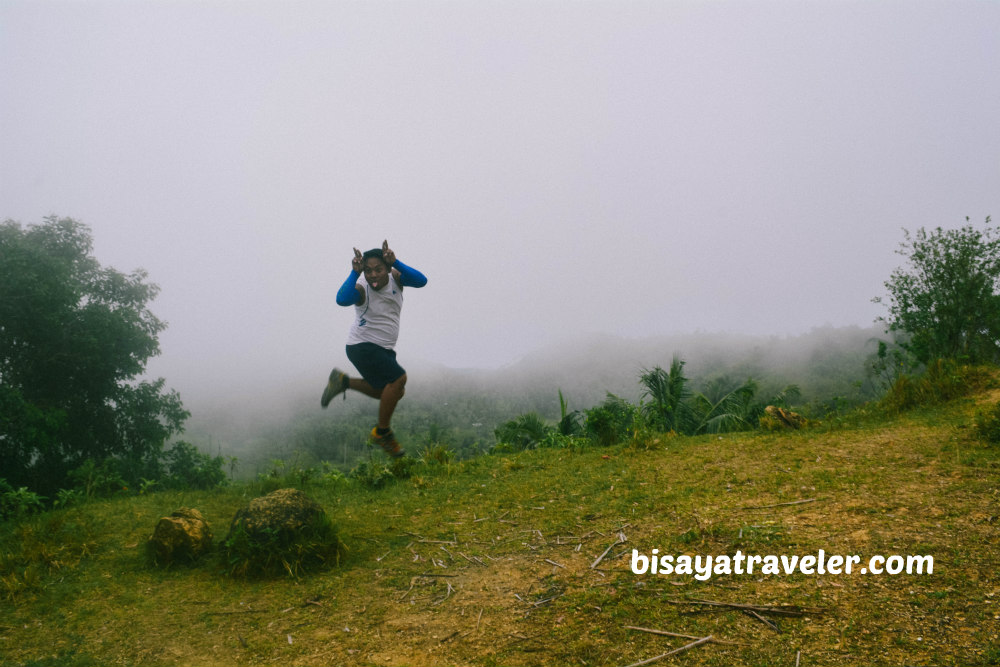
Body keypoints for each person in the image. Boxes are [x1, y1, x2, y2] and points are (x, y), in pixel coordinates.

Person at [320, 240, 427, 458]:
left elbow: (422, 281)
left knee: (389, 392)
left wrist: (396, 261)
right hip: (362, 345)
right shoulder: (361, 288)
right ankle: (382, 433)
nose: (373, 275)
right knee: (399, 380)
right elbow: (341, 299)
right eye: (368, 271)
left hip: (383, 348)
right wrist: (354, 273)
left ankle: (343, 381)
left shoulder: (397, 278)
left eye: (379, 269)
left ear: (388, 269)